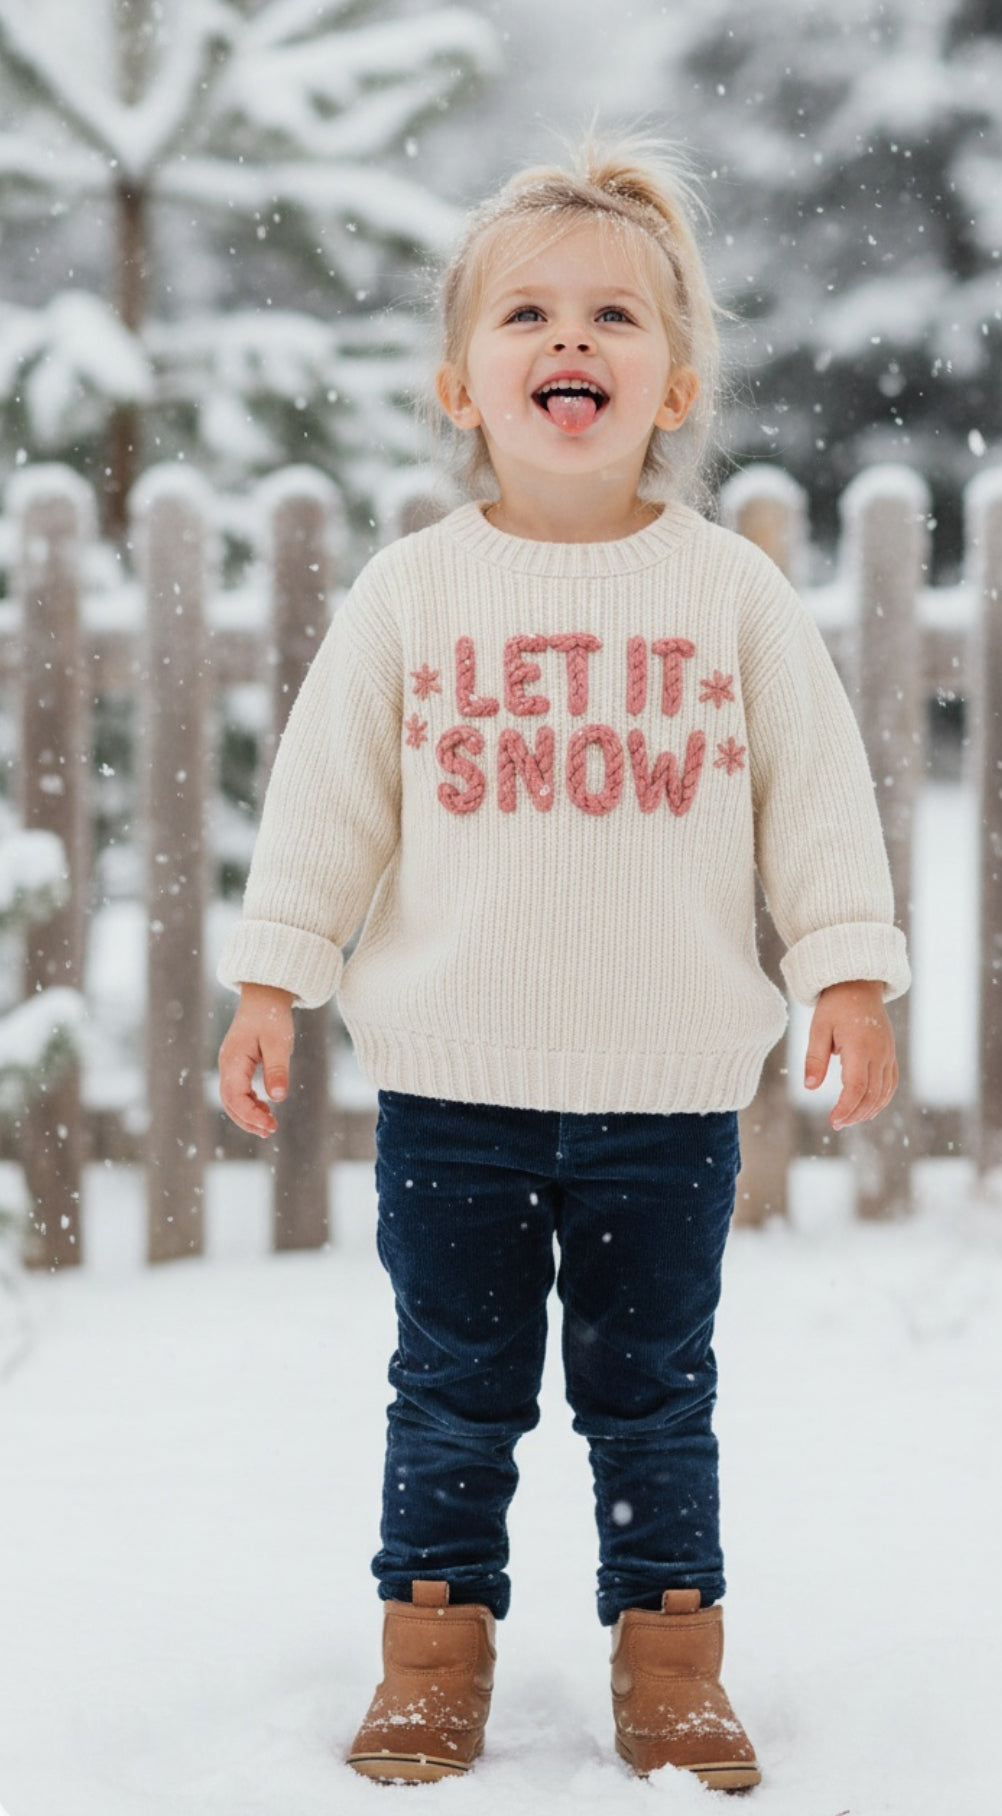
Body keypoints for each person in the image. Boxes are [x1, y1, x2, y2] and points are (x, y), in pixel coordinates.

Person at [216, 128, 911, 1792]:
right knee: (452, 1395)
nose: (568, 344)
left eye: (613, 318)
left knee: (651, 1398)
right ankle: (431, 1655)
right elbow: (328, 804)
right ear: (460, 383)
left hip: (667, 1096)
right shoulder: (412, 594)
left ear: (674, 385)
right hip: (452, 1086)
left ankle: (671, 1663)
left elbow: (817, 802)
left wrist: (849, 968)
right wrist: (271, 977)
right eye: (523, 318)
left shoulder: (729, 596)